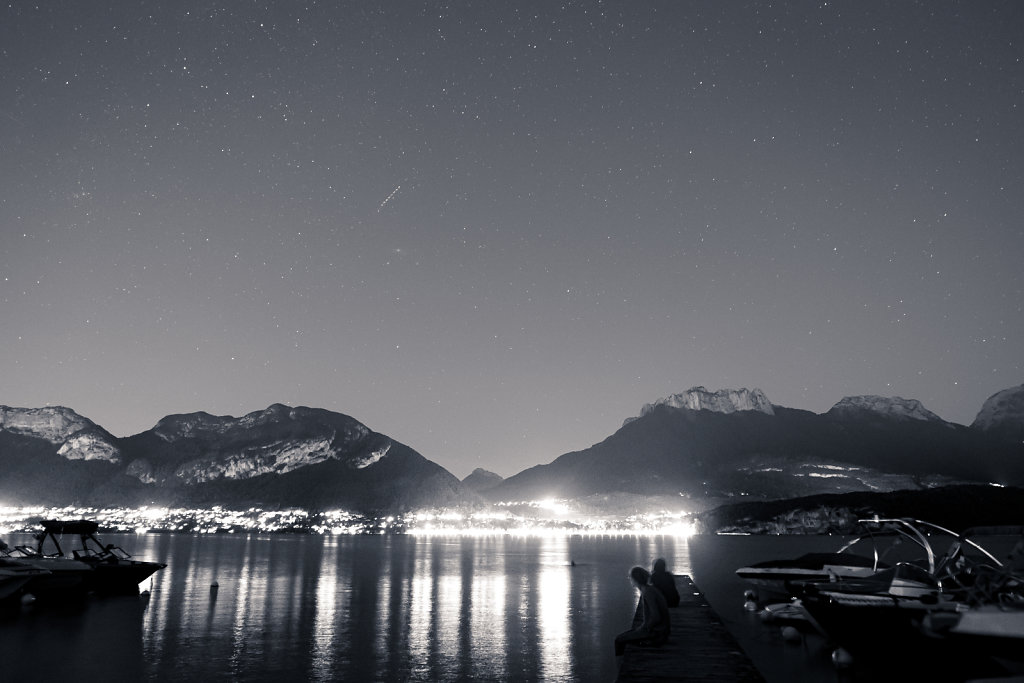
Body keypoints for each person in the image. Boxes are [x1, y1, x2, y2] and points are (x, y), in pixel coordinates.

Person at [614, 566, 671, 656]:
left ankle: (620, 665)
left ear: (636, 579)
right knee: (627, 635)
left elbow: (656, 617)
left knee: (618, 640)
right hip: (661, 631)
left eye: (630, 577)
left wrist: (645, 628)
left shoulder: (648, 592)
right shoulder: (649, 589)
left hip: (657, 634)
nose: (630, 580)